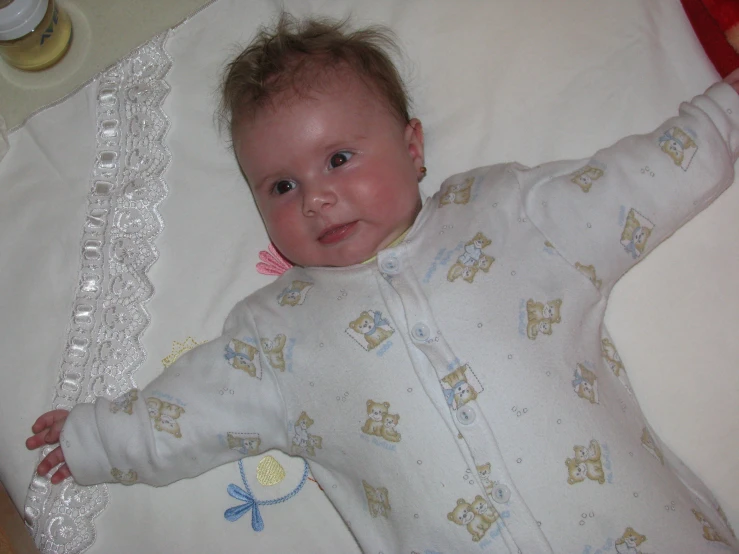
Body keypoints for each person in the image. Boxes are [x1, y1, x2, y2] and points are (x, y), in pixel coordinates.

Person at [26, 13, 739, 553]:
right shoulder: (276, 336)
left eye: (337, 157)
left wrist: (721, 112)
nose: (315, 197)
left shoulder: (507, 216)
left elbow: (637, 180)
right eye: (280, 184)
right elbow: (185, 413)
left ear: (412, 146)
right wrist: (98, 439)